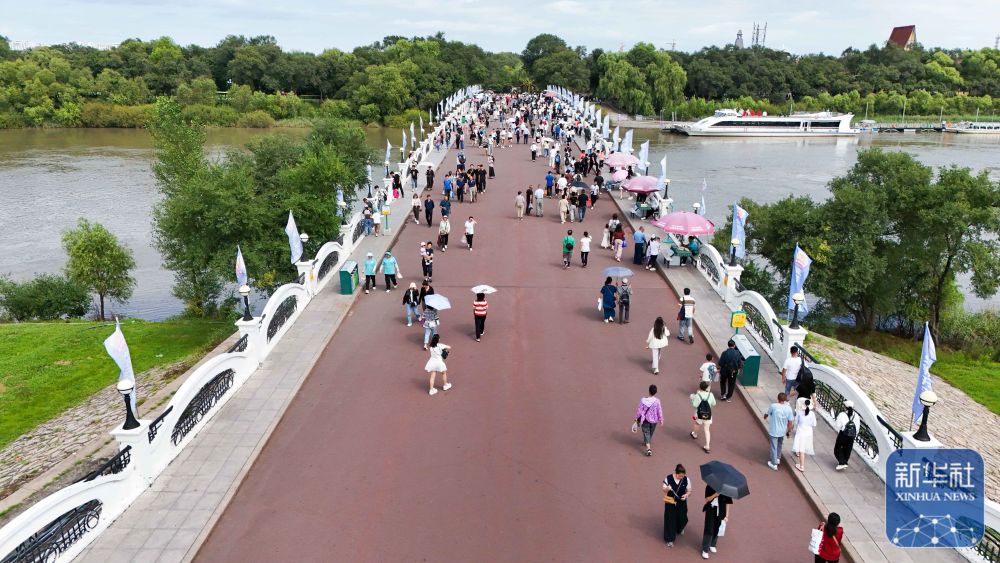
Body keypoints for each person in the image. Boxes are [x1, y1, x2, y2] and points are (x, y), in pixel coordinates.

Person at [662, 464, 691, 547]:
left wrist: (686, 495)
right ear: (676, 473)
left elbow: (689, 491)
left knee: (682, 518)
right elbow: (663, 489)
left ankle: (680, 528)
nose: (681, 477)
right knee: (670, 520)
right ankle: (669, 539)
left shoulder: (686, 479)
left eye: (683, 476)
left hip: (681, 502)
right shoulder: (668, 478)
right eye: (680, 476)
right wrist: (667, 488)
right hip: (670, 502)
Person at [764, 392, 794, 470]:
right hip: (782, 431)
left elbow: (767, 414)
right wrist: (788, 432)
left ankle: (774, 464)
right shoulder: (789, 409)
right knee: (780, 444)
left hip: (774, 430)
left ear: (778, 398)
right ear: (785, 399)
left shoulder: (773, 406)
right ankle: (777, 458)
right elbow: (790, 422)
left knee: (773, 446)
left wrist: (765, 417)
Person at [701, 485, 732, 559]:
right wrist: (715, 495)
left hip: (721, 510)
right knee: (709, 528)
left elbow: (728, 503)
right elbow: (707, 499)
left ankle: (712, 544)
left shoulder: (727, 489)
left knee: (717, 527)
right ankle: (705, 550)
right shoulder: (709, 486)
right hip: (711, 509)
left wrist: (727, 515)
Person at [634, 384, 664, 456]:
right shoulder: (657, 401)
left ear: (649, 391)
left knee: (646, 432)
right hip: (654, 421)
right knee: (650, 432)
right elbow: (659, 410)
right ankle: (647, 443)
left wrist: (636, 418)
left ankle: (648, 448)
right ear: (656, 392)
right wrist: (661, 419)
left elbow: (639, 410)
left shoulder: (643, 400)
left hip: (645, 420)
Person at [690, 381, 717, 453]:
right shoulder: (711, 394)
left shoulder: (698, 395)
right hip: (708, 414)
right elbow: (714, 403)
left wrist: (692, 399)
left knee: (697, 424)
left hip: (699, 414)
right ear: (707, 388)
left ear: (700, 387)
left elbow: (694, 405)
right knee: (707, 430)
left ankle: (695, 434)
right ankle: (707, 446)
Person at [792, 397, 817, 472]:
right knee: (803, 448)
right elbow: (814, 424)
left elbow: (796, 422)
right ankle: (801, 464)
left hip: (801, 432)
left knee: (801, 450)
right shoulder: (812, 414)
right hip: (809, 433)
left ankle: (802, 466)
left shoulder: (799, 413)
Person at [833, 401, 858, 471]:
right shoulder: (856, 416)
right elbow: (857, 427)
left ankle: (842, 463)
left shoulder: (842, 414)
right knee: (848, 449)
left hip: (843, 434)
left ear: (845, 407)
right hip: (852, 435)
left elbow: (838, 425)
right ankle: (845, 462)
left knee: (837, 448)